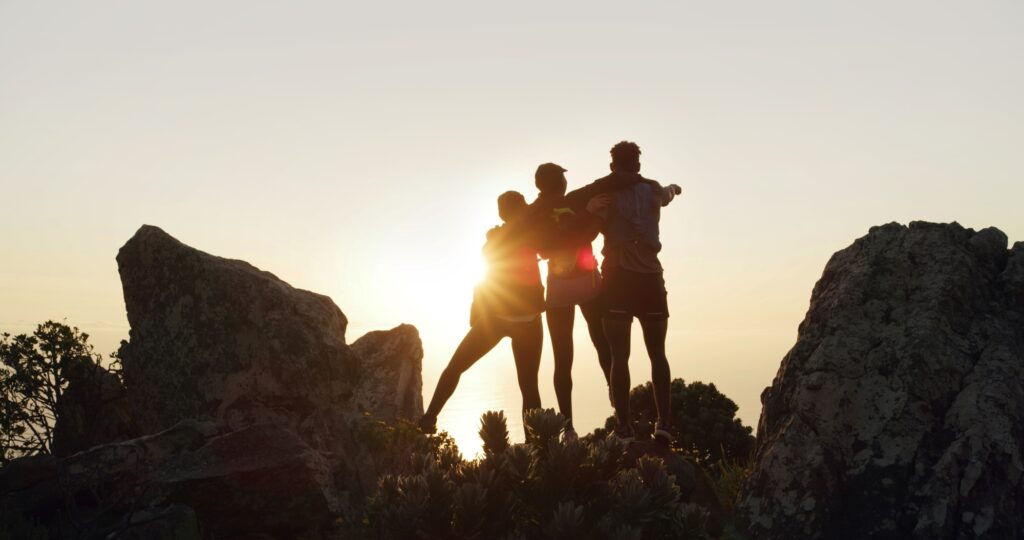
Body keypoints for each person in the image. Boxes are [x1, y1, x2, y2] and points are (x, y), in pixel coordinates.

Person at [418, 191, 546, 436]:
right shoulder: (532, 236)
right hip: (528, 321)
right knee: (529, 386)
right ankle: (535, 447)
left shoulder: (492, 242)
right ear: (524, 209)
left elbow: (488, 276)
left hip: (495, 320)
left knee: (455, 367)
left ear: (501, 213)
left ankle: (429, 418)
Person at [586, 141, 682, 445]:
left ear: (613, 167)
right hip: (650, 279)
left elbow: (588, 227)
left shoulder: (605, 194)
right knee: (658, 354)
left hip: (617, 279)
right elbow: (667, 194)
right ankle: (663, 423)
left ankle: (624, 427)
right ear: (638, 166)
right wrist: (675, 188)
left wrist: (589, 209)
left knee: (619, 356)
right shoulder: (653, 188)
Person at [530, 163, 613, 442]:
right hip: (587, 282)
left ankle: (568, 428)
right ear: (558, 182)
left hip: (558, 288)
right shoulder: (577, 201)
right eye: (562, 178)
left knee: (562, 357)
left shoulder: (534, 212)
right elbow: (579, 235)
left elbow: (544, 246)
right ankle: (617, 402)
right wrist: (595, 218)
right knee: (603, 343)